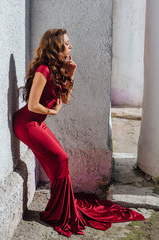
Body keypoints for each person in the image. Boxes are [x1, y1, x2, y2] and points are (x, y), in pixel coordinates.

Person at [13, 29, 145, 237]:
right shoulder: (43, 70)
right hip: (26, 122)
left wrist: (70, 75)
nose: (70, 46)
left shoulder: (56, 69)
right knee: (61, 159)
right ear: (56, 47)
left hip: (36, 121)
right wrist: (52, 111)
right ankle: (59, 212)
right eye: (67, 43)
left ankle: (58, 209)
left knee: (58, 161)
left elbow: (63, 99)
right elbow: (32, 105)